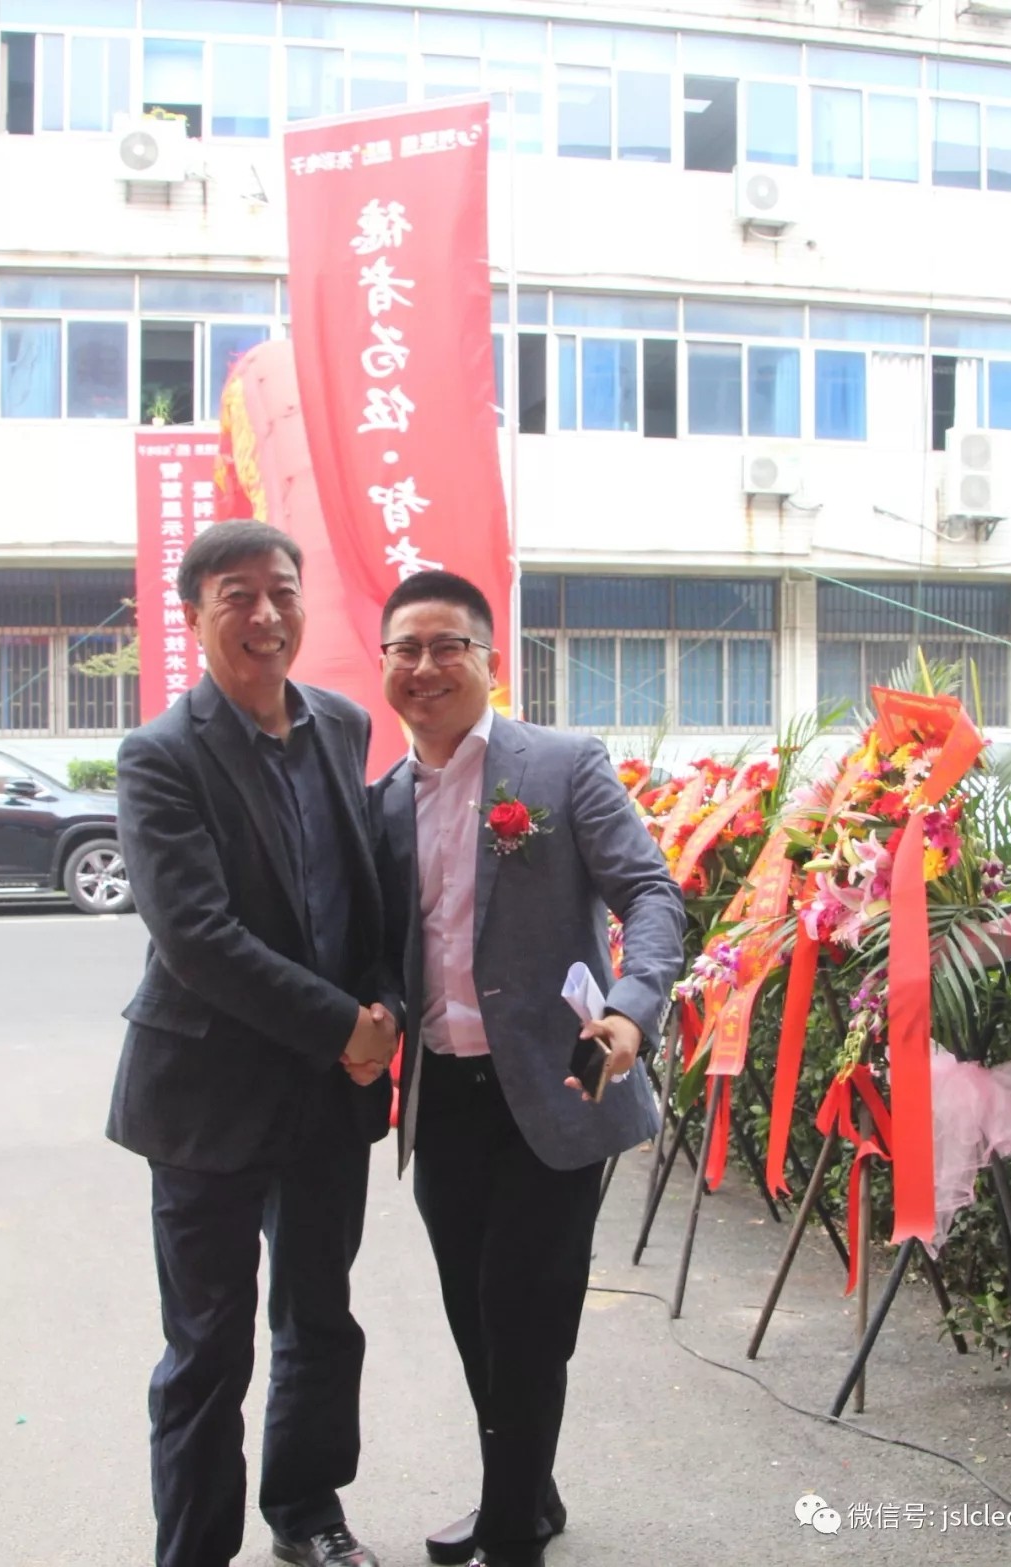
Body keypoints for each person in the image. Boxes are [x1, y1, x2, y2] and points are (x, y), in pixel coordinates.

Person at [371, 571, 685, 1567]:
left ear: (490, 659)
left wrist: (631, 1008)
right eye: (406, 648)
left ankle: (510, 1534)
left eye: (448, 645)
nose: (426, 666)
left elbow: (651, 893)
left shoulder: (559, 764)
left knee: (527, 1313)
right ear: (385, 665)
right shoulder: (382, 801)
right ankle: (527, 1490)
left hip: (559, 1086)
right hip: (443, 1096)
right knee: (476, 1315)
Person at [107, 520, 398, 1567]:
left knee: (321, 1317)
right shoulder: (161, 755)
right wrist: (344, 1025)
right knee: (208, 1346)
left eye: (282, 591)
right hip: (206, 1094)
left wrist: (385, 1006)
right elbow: (198, 937)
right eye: (238, 595)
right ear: (195, 616)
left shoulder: (343, 725)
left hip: (329, 1094)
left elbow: (369, 893)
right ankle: (193, 1550)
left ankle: (307, 1512)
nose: (265, 615)